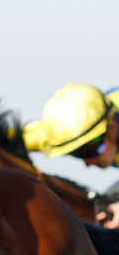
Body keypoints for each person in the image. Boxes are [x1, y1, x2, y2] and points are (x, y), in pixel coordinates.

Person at [24, 84, 119, 227]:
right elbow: (12, 136)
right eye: (77, 154)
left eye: (90, 150)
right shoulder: (56, 133)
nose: (88, 163)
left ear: (112, 127)